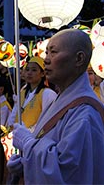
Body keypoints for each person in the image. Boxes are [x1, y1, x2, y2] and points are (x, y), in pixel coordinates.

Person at [7, 29, 104, 184]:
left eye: (53, 52)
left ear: (79, 58)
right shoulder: (62, 99)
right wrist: (27, 163)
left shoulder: (85, 112)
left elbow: (66, 172)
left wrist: (27, 144)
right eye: (46, 53)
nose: (46, 60)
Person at [8, 56, 57, 132]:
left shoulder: (48, 94)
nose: (29, 73)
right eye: (27, 70)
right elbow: (15, 111)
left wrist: (28, 133)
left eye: (34, 70)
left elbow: (47, 120)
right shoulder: (23, 91)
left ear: (42, 73)